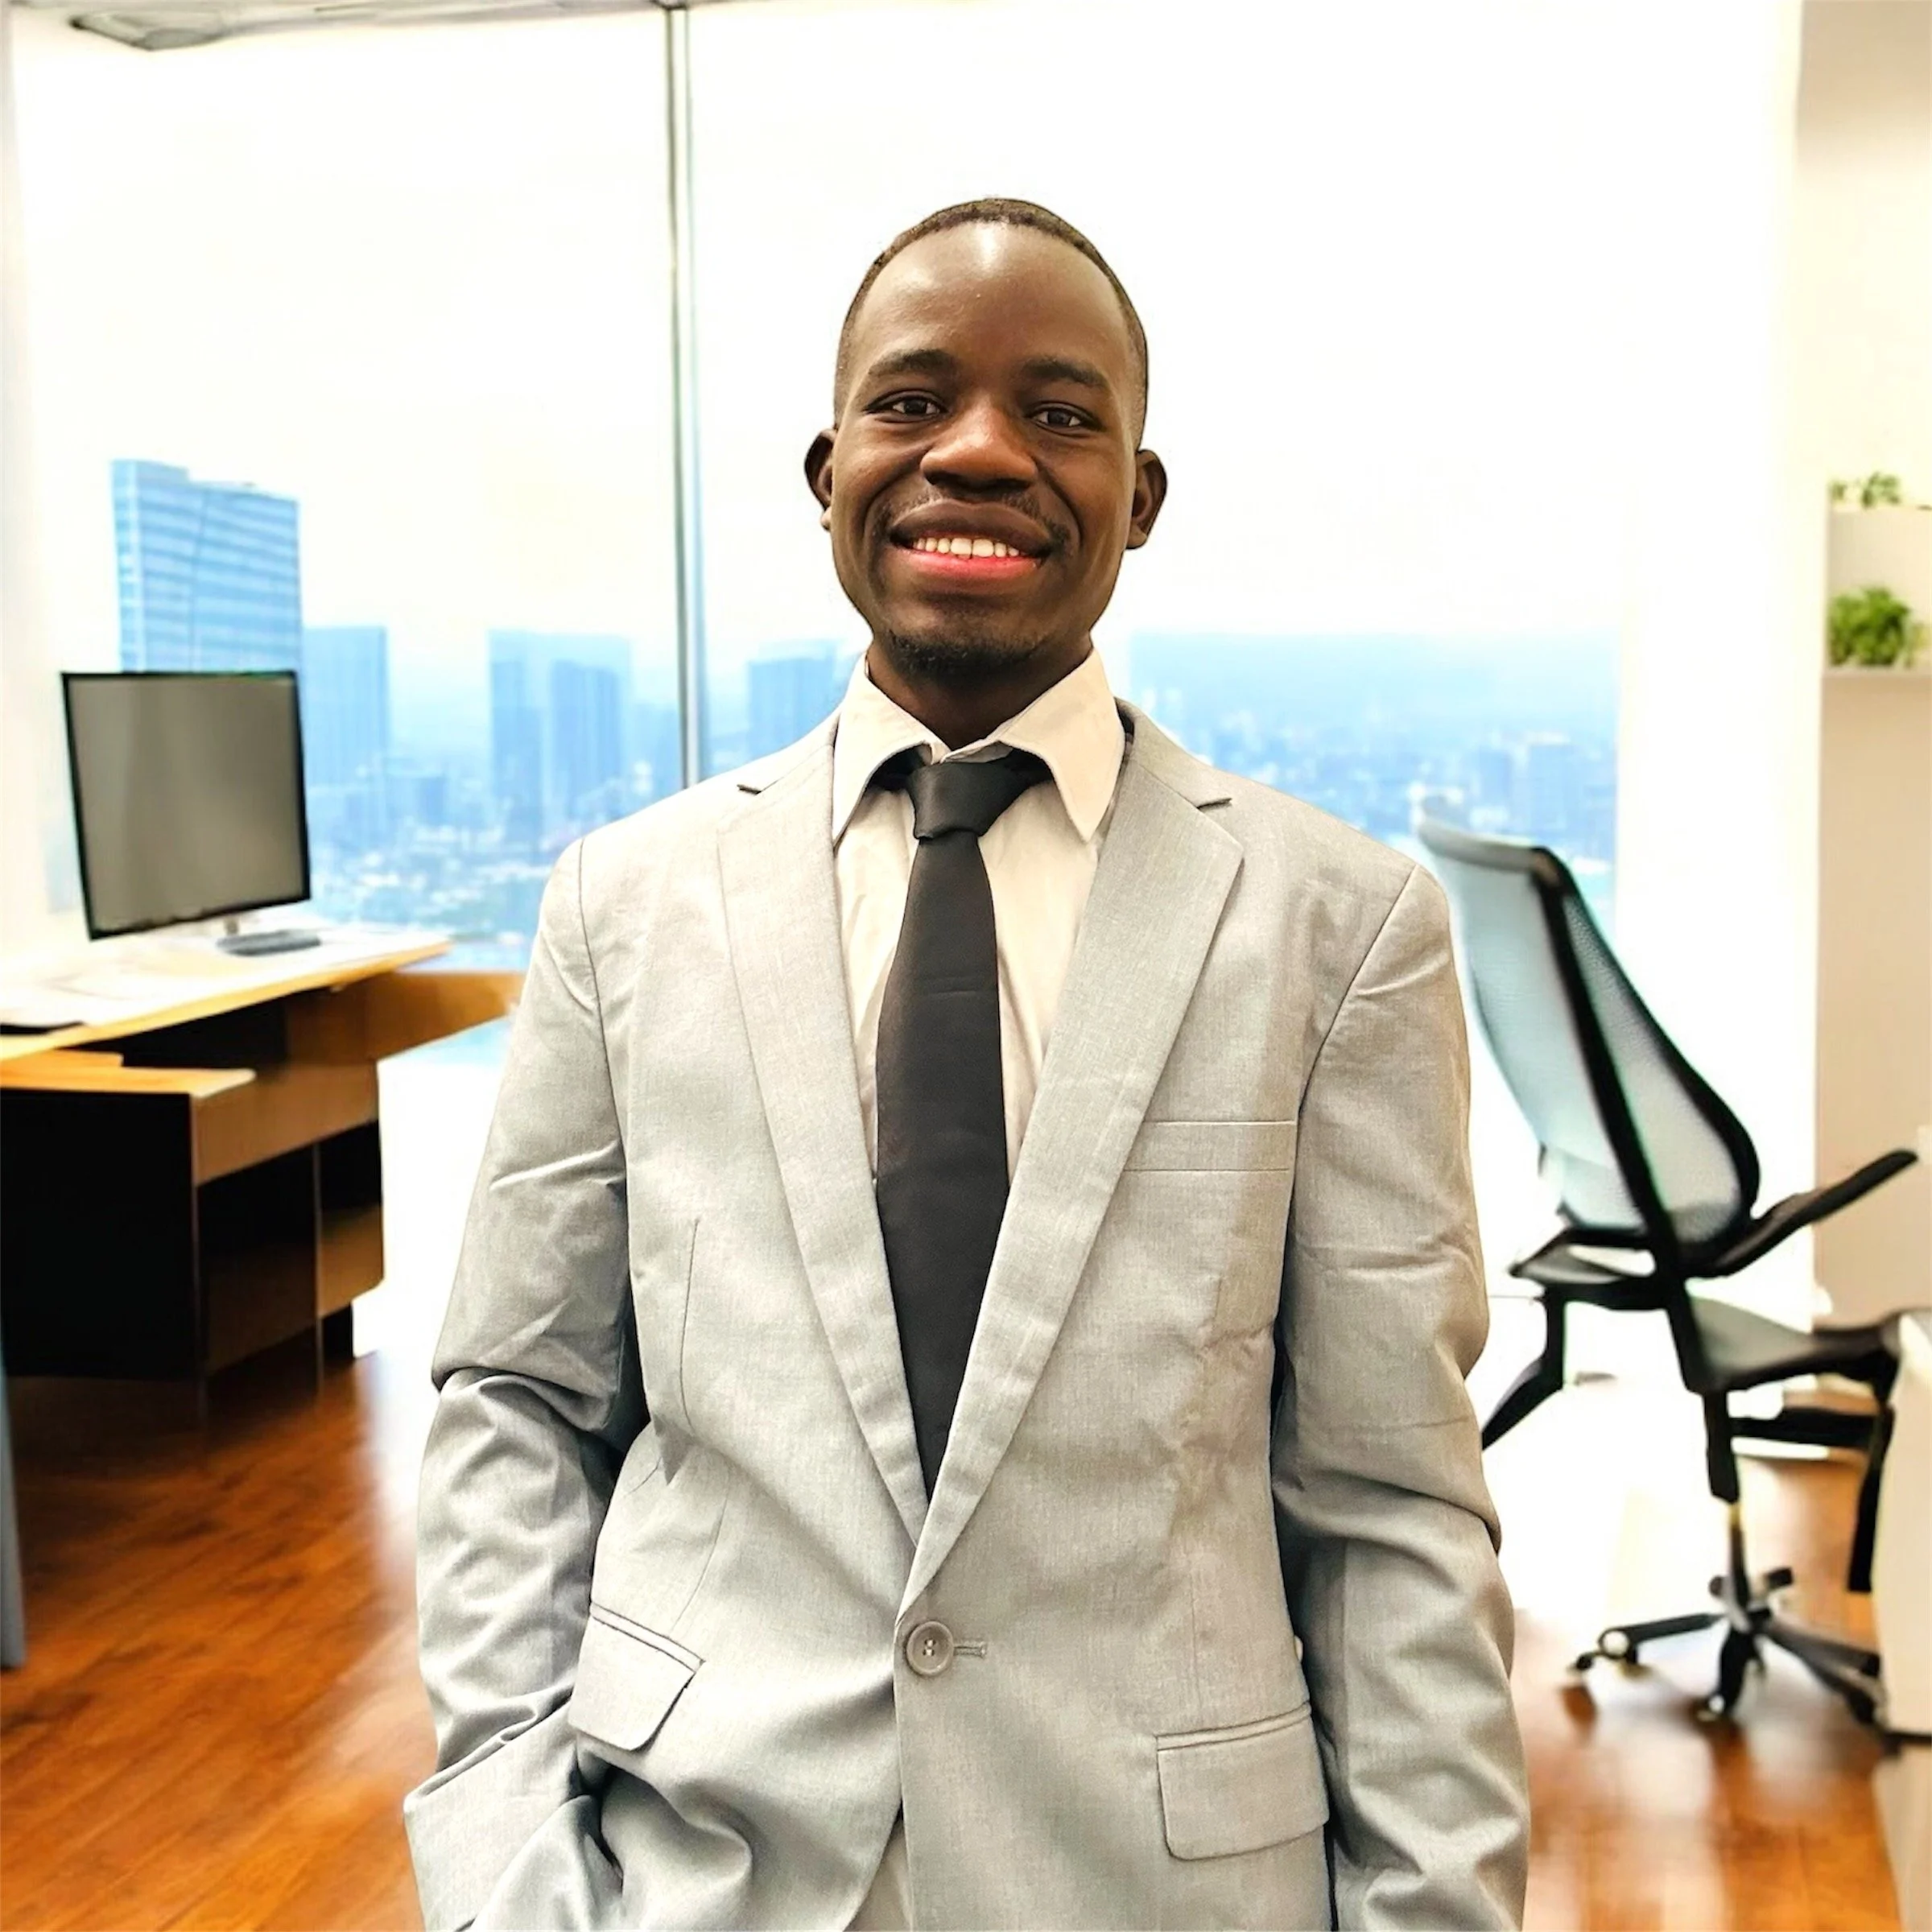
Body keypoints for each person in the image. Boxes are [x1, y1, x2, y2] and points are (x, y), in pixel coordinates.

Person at [407, 196, 1530, 1931]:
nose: (983, 452)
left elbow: (1390, 1503)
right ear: (830, 467)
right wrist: (502, 1858)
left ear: (1139, 497)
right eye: (915, 402)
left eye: (1063, 414)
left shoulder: (1339, 925)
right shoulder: (622, 906)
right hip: (696, 1868)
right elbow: (520, 1403)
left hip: (1163, 1882)